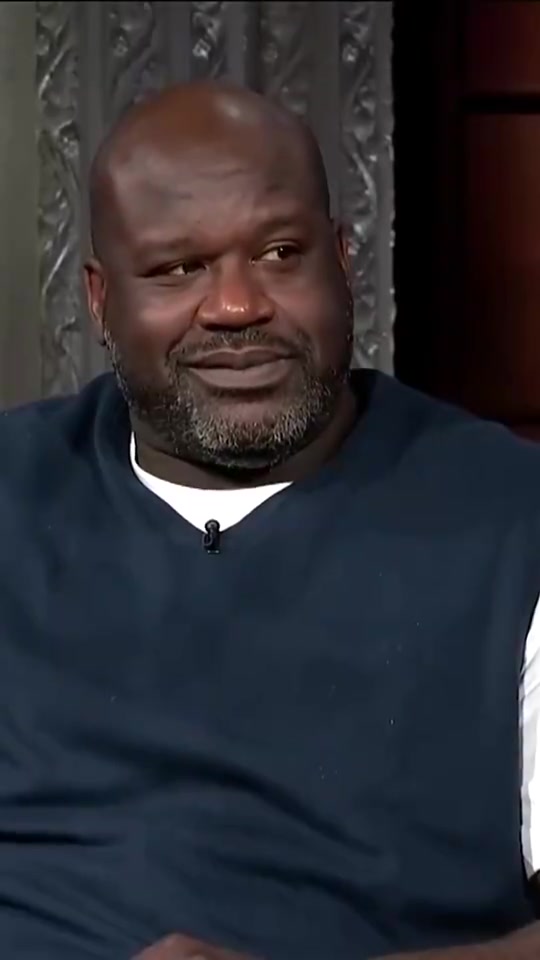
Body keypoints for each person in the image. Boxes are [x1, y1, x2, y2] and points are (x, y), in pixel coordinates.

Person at [2, 80, 540, 960]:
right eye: (179, 269)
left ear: (343, 261)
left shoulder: (513, 517)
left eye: (281, 253)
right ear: (100, 300)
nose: (236, 306)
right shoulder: (13, 489)